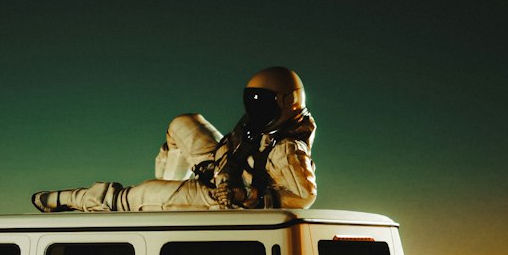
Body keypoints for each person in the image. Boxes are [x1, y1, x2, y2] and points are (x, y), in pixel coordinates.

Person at [31, 66, 317, 212]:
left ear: (286, 102)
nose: (256, 108)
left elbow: (303, 198)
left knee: (138, 195)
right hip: (221, 165)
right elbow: (240, 148)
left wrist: (246, 196)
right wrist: (221, 168)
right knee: (182, 124)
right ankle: (170, 192)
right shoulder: (265, 125)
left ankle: (81, 199)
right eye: (253, 101)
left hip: (221, 197)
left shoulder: (289, 148)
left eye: (264, 103)